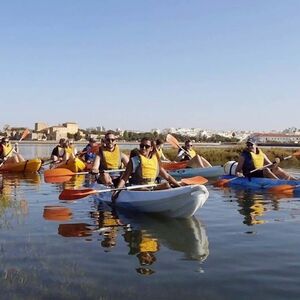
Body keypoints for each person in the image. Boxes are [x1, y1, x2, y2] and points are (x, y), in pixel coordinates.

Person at [112, 137, 181, 201]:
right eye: (142, 146)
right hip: (138, 187)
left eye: (147, 146)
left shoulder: (155, 161)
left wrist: (179, 187)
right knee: (144, 189)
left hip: (151, 186)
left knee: (166, 185)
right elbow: (125, 178)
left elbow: (167, 176)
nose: (143, 148)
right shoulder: (135, 160)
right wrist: (117, 191)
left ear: (151, 148)